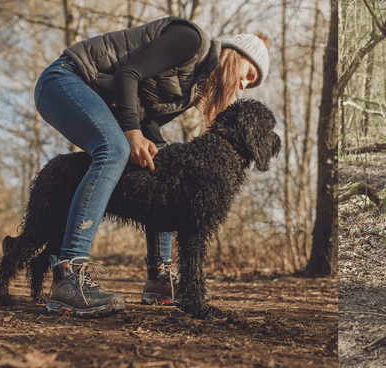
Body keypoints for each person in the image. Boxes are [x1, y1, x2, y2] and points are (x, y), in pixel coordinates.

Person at [34, 17, 269, 317]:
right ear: (236, 55)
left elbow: (147, 118)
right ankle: (70, 275)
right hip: (65, 80)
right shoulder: (192, 41)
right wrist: (132, 133)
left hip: (94, 96)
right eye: (248, 74)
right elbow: (127, 75)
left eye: (251, 84)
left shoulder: (193, 88)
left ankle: (160, 277)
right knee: (114, 149)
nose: (245, 85)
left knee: (166, 163)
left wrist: (160, 151)